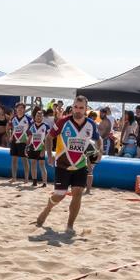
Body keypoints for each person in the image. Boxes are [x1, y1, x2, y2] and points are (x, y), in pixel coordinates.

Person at [35, 95, 101, 232]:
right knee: (60, 195)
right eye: (76, 107)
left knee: (77, 194)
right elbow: (49, 138)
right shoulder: (63, 122)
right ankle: (47, 209)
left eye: (81, 108)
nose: (78, 110)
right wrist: (49, 155)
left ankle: (70, 225)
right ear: (72, 107)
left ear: (86, 109)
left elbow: (98, 139)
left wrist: (99, 152)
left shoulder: (91, 124)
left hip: (80, 166)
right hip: (63, 165)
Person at [25, 106, 53, 187]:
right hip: (33, 147)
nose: (38, 117)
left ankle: (44, 183)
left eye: (40, 116)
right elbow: (30, 137)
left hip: (41, 147)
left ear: (42, 117)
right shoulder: (32, 126)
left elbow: (47, 139)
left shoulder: (46, 126)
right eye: (37, 116)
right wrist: (26, 147)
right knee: (33, 164)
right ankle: (34, 181)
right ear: (35, 116)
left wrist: (43, 150)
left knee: (42, 165)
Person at [7, 102, 31, 182]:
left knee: (25, 160)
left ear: (24, 109)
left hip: (24, 141)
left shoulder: (28, 118)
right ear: (16, 109)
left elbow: (33, 130)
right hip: (14, 140)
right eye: (18, 108)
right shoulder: (13, 118)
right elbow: (9, 128)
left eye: (21, 108)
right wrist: (10, 136)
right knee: (14, 159)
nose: (20, 110)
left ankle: (26, 178)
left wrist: (29, 138)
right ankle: (14, 178)